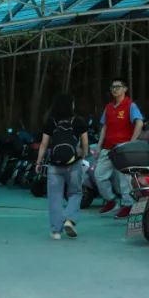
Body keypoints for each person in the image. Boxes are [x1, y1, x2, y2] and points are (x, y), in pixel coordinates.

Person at [35, 94, 89, 239]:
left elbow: (44, 144)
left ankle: (56, 231)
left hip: (54, 164)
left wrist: (38, 162)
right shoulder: (78, 120)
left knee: (55, 197)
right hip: (73, 163)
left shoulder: (51, 121)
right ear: (71, 105)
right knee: (75, 193)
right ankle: (70, 220)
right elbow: (85, 143)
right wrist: (83, 156)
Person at [93, 78, 144, 218]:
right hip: (108, 148)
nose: (115, 89)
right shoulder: (109, 107)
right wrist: (99, 146)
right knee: (99, 175)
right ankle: (111, 200)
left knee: (124, 179)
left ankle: (128, 205)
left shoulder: (130, 105)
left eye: (118, 86)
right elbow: (105, 127)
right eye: (112, 87)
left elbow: (139, 123)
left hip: (123, 149)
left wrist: (131, 143)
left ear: (125, 89)